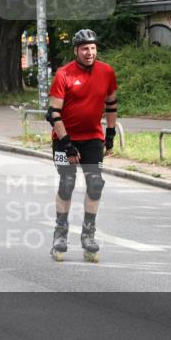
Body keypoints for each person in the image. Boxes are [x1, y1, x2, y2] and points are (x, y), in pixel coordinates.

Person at [45, 29, 118, 263]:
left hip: (93, 137)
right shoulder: (64, 74)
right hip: (64, 137)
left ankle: (88, 235)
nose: (90, 52)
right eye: (85, 48)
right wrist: (67, 145)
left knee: (95, 184)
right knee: (67, 183)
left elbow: (111, 104)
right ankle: (60, 234)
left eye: (93, 48)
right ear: (76, 50)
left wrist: (110, 133)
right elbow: (53, 113)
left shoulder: (106, 72)